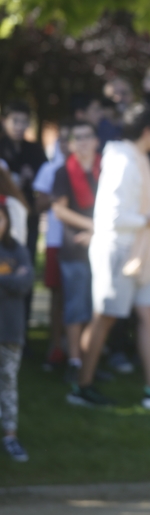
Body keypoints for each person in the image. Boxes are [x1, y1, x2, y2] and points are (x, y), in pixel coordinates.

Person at [67, 104, 150, 409]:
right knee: (105, 317)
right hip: (119, 250)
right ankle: (82, 386)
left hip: (138, 250)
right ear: (148, 130)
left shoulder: (132, 156)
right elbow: (111, 218)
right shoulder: (123, 159)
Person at [51, 121, 101, 386]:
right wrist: (93, 227)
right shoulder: (63, 172)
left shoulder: (105, 169)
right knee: (75, 308)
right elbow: (60, 210)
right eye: (77, 138)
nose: (82, 142)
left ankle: (92, 359)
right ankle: (74, 360)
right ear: (70, 144)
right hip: (75, 250)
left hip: (102, 248)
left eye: (87, 136)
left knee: (97, 310)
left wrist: (98, 232)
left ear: (96, 141)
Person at [0, 101, 47, 339]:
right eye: (14, 121)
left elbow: (44, 186)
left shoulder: (34, 150)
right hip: (3, 220)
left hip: (27, 220)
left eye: (23, 121)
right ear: (4, 121)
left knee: (23, 268)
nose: (19, 126)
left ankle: (22, 334)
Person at [0, 201, 34, 462]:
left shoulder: (17, 250)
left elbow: (26, 282)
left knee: (9, 382)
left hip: (10, 331)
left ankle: (10, 435)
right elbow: (17, 280)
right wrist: (11, 279)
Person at [33, 124, 69, 372]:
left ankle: (75, 350)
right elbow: (39, 204)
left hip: (79, 241)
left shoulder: (84, 168)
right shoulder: (49, 169)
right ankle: (55, 346)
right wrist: (56, 196)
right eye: (63, 140)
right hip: (56, 240)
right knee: (58, 297)